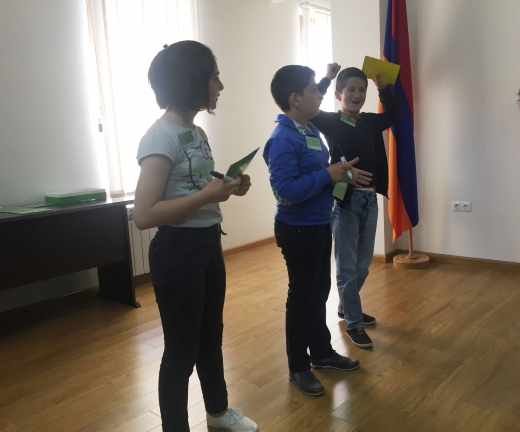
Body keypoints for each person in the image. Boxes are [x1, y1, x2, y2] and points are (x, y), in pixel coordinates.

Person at [133, 41, 258, 432]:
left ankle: (218, 413)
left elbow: (196, 185)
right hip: (177, 253)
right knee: (180, 352)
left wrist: (228, 186)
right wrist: (207, 195)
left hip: (207, 244)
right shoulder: (160, 137)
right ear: (192, 81)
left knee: (210, 337)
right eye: (214, 77)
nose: (220, 86)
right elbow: (143, 215)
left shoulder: (196, 131)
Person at [263, 65, 361, 397]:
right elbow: (285, 191)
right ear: (295, 98)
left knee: (319, 293)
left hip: (319, 224)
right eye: (313, 90)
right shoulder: (282, 138)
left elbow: (320, 175)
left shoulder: (308, 129)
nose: (320, 94)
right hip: (297, 230)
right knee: (301, 298)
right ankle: (298, 367)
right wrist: (327, 175)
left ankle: (321, 353)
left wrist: (341, 175)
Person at [311, 65, 400, 348]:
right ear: (339, 94)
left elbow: (394, 115)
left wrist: (383, 89)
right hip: (345, 201)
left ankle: (346, 306)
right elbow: (310, 108)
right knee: (347, 268)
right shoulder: (332, 121)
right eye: (351, 89)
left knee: (363, 265)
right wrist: (326, 79)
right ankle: (353, 322)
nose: (357, 95)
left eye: (362, 90)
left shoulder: (370, 121)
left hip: (369, 200)